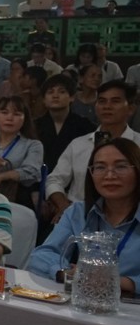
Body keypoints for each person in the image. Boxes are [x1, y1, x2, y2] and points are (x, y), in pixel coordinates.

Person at [30, 138, 140, 292]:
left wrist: (118, 281)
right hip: (85, 298)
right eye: (100, 167)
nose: (109, 175)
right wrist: (66, 273)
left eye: (120, 166)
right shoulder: (78, 212)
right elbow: (41, 255)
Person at [47, 80, 140, 220]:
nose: (107, 107)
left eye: (115, 101)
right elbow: (54, 180)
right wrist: (64, 206)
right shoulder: (79, 144)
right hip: (79, 215)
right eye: (102, 101)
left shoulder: (138, 144)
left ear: (131, 109)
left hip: (129, 218)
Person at [0, 96, 44, 205]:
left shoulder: (33, 145)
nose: (9, 118)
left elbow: (32, 172)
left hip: (17, 199)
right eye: (4, 112)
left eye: (17, 114)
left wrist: (1, 177)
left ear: (25, 119)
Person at [35, 74, 96, 173]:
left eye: (62, 92)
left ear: (72, 97)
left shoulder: (85, 126)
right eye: (50, 92)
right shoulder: (34, 126)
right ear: (44, 100)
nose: (55, 96)